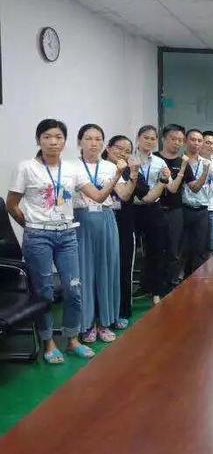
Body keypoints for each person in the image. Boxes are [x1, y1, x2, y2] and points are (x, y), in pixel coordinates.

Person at [6, 119, 125, 363]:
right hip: (38, 237)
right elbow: (12, 204)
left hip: (68, 235)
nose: (53, 141)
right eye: (47, 137)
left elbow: (98, 196)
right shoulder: (26, 167)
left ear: (65, 141)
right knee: (45, 292)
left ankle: (72, 340)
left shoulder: (71, 169)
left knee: (74, 289)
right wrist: (30, 226)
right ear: (38, 140)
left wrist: (117, 175)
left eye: (58, 137)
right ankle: (49, 342)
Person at [103, 135, 167, 327]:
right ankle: (100, 314)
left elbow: (147, 197)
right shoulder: (97, 168)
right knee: (101, 269)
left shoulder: (132, 172)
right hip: (99, 224)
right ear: (108, 148)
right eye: (118, 148)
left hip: (124, 225)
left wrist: (163, 181)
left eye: (127, 151)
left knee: (123, 268)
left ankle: (122, 310)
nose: (122, 153)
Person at [71, 124, 123, 343]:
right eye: (89, 138)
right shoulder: (71, 167)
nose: (94, 143)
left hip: (106, 219)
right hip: (80, 221)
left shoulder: (110, 166)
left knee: (107, 270)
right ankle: (87, 324)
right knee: (84, 273)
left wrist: (132, 174)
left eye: (98, 139)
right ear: (79, 142)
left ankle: (105, 322)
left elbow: (124, 195)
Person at [154, 124, 194, 296]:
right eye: (173, 138)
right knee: (155, 248)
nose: (177, 142)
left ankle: (170, 284)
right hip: (154, 209)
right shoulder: (154, 159)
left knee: (174, 250)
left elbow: (193, 186)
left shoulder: (183, 162)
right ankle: (153, 287)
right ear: (164, 139)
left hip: (175, 210)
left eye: (180, 140)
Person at [133, 125, 170, 304]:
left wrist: (170, 176)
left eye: (153, 138)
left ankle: (156, 291)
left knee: (157, 249)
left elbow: (170, 186)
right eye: (146, 137)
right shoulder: (130, 159)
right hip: (132, 209)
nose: (149, 141)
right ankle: (139, 287)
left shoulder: (159, 162)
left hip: (154, 209)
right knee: (133, 251)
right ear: (138, 138)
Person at [181, 129, 213, 276]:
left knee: (200, 249)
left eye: (200, 141)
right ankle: (180, 280)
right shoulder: (180, 161)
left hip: (202, 210)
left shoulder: (207, 163)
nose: (196, 143)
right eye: (193, 139)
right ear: (186, 141)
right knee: (182, 248)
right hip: (183, 209)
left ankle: (196, 280)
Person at [202, 131, 213, 255]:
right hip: (196, 208)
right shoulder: (192, 160)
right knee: (196, 245)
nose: (211, 146)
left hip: (212, 207)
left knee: (212, 245)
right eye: (208, 143)